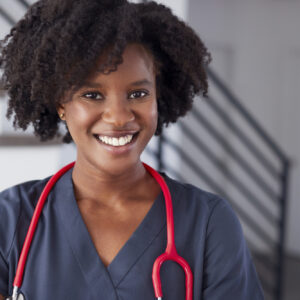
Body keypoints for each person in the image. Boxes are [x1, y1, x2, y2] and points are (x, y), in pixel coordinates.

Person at [0, 0, 264, 299]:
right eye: (92, 95)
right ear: (62, 104)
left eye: (138, 93)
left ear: (157, 98)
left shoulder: (208, 223)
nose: (119, 116)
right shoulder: (11, 218)